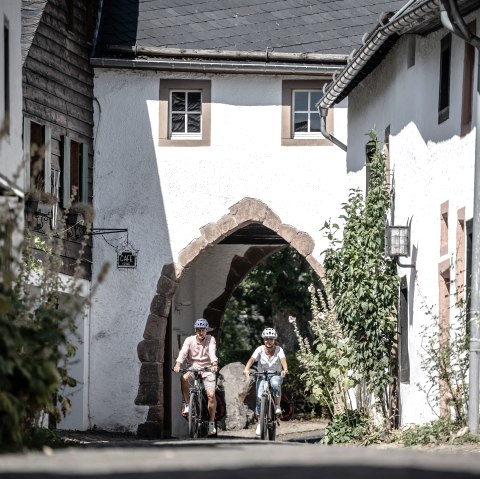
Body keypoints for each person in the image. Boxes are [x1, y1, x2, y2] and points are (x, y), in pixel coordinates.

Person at [173, 318, 219, 435]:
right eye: (198, 330)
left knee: (211, 395)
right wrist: (178, 364)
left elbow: (212, 352)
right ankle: (188, 404)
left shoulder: (210, 339)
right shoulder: (189, 340)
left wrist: (214, 364)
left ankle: (211, 423)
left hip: (208, 369)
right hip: (193, 367)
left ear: (206, 330)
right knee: (183, 378)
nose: (200, 332)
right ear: (195, 330)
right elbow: (183, 352)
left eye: (203, 330)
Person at [243, 327, 288, 436]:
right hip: (262, 375)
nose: (268, 341)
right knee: (259, 396)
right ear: (264, 340)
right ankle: (260, 422)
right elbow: (252, 359)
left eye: (271, 339)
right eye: (266, 339)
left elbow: (283, 360)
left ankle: (277, 406)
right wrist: (246, 369)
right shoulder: (259, 349)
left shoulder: (279, 350)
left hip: (275, 375)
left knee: (275, 384)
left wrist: (285, 369)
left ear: (274, 340)